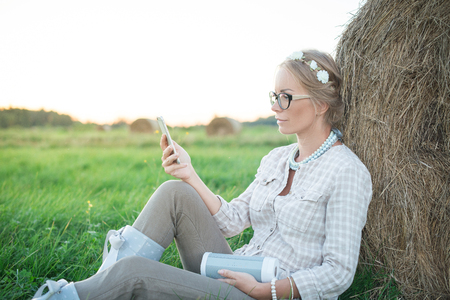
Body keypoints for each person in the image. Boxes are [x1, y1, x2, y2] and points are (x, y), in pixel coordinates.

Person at [32, 50, 372, 300]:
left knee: (135, 273)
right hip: (235, 270)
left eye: (285, 98)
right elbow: (233, 220)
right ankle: (103, 286)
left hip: (269, 293)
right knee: (174, 193)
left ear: (321, 104)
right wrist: (190, 174)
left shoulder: (346, 172)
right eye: (274, 97)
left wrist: (267, 290)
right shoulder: (277, 159)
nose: (274, 107)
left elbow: (339, 272)